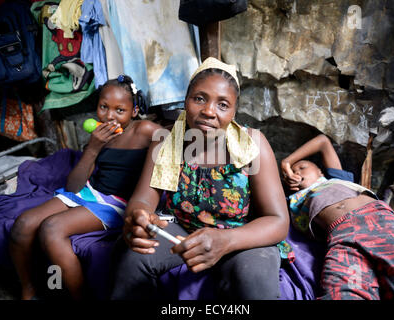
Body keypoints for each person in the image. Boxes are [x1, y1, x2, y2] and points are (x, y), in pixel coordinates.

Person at [109, 57, 292, 300]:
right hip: (182, 229)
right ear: (185, 100)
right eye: (199, 98)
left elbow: (278, 221)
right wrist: (139, 215)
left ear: (234, 111)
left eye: (223, 104)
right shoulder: (165, 140)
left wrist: (226, 240)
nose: (208, 111)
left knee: (255, 281)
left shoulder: (252, 145)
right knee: (133, 260)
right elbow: (143, 198)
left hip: (241, 235)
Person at [9, 75, 161, 300]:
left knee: (51, 228)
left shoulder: (144, 130)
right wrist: (93, 147)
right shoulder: (99, 135)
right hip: (89, 192)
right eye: (103, 107)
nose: (110, 116)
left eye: (120, 110)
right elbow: (73, 186)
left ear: (135, 110)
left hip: (117, 202)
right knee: (22, 225)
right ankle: (29, 290)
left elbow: (171, 139)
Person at [280, 134, 394, 299]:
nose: (295, 173)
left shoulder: (334, 179)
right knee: (340, 293)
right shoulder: (292, 202)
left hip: (376, 220)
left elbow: (323, 142)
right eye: (291, 173)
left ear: (320, 170)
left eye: (302, 167)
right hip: (340, 237)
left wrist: (286, 163)